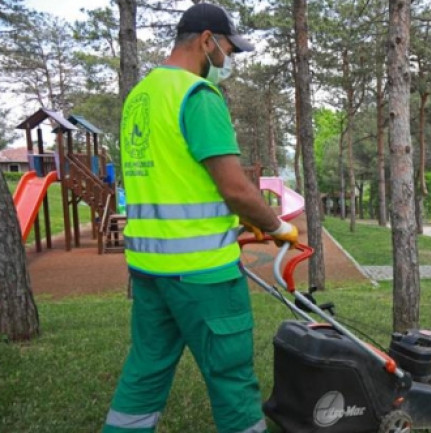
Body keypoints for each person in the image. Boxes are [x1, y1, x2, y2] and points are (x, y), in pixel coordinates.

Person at [103, 3, 298, 432]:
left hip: (150, 270)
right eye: (227, 50)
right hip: (204, 276)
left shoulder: (141, 96)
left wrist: (234, 218)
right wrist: (278, 227)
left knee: (146, 371)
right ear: (207, 40)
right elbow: (234, 187)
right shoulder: (198, 95)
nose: (227, 62)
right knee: (232, 380)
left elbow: (177, 179)